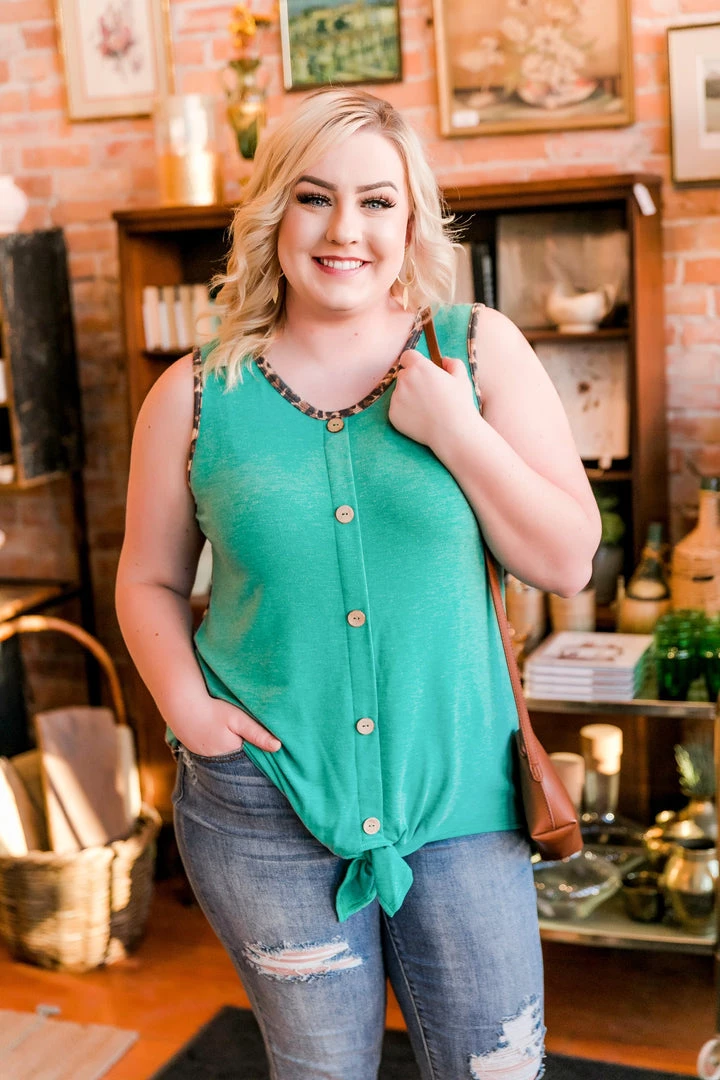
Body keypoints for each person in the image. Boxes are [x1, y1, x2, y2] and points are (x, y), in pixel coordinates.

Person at [116, 88, 600, 1080]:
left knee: (496, 1068)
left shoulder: (475, 350)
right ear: (273, 213)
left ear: (411, 218)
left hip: (463, 799)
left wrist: (457, 431)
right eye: (314, 197)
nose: (346, 229)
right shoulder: (195, 393)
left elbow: (565, 560)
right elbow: (148, 578)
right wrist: (188, 710)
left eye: (377, 201)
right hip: (265, 805)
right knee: (319, 1071)